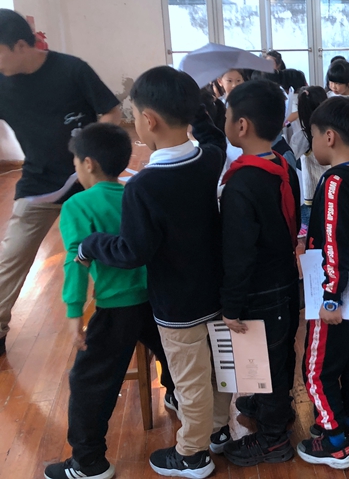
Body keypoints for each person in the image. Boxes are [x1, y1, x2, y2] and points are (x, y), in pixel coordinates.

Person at [77, 67, 229, 478]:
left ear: (148, 120)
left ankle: (192, 454)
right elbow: (214, 137)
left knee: (190, 379)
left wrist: (92, 244)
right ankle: (218, 430)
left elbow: (132, 251)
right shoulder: (210, 158)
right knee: (217, 369)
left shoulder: (144, 186)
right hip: (217, 292)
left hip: (178, 305)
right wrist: (200, 109)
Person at [45, 124, 174, 479]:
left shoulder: (77, 205)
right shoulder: (135, 193)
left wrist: (74, 312)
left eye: (75, 162)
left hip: (116, 307)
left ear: (88, 163)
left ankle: (89, 463)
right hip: (158, 301)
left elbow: (76, 261)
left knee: (89, 381)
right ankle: (179, 398)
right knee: (172, 355)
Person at [0, 9, 121, 358]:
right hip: (38, 182)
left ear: (20, 45)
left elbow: (111, 111)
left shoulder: (71, 70)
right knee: (12, 255)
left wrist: (94, 154)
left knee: (113, 250)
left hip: (89, 179)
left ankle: (127, 315)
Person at [217, 80, 300, 466]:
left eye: (227, 116)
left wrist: (231, 305)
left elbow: (239, 254)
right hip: (285, 281)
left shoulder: (241, 184)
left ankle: (272, 439)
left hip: (260, 290)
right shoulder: (283, 166)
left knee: (264, 360)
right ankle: (277, 406)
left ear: (242, 126)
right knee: (279, 352)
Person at [297, 97, 349, 470]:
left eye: (312, 136)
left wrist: (329, 297)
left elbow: (333, 242)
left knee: (316, 370)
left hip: (336, 295)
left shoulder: (333, 182)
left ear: (329, 137)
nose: (311, 143)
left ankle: (334, 443)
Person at [290, 86, 330, 237]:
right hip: (332, 184)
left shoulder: (302, 135)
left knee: (312, 228)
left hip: (312, 188)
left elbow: (291, 156)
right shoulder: (332, 130)